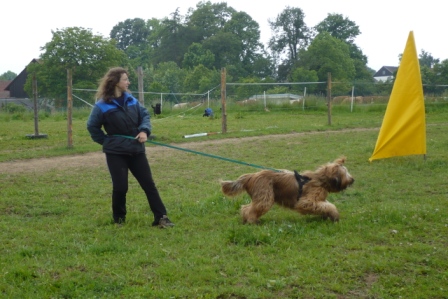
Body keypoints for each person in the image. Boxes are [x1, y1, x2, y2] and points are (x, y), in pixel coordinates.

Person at [87, 67, 174, 228]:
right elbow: (92, 127)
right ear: (115, 82)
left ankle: (161, 217)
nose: (128, 82)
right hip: (116, 153)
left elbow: (145, 115)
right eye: (125, 79)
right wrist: (107, 142)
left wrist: (143, 130)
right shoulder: (102, 106)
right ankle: (119, 220)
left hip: (136, 150)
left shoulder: (132, 100)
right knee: (120, 187)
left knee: (148, 184)